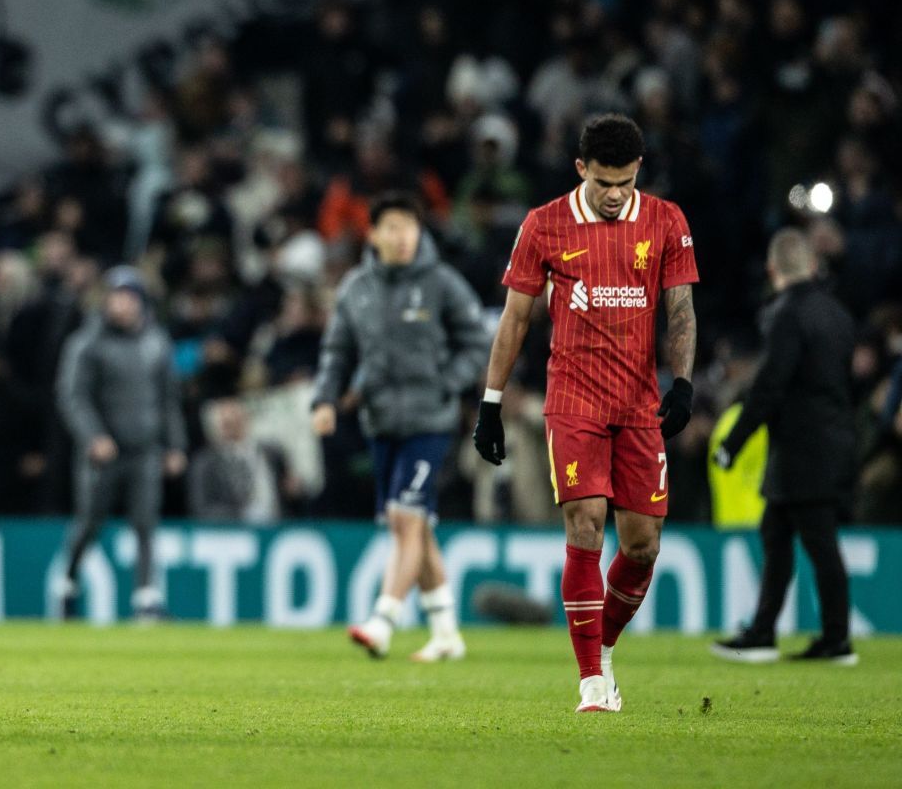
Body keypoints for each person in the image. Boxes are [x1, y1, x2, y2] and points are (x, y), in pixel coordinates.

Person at [473, 113, 698, 713]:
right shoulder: (544, 225)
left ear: (638, 172)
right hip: (572, 399)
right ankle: (592, 679)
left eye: (625, 182)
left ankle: (603, 647)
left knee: (644, 545)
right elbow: (515, 319)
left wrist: (683, 385)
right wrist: (490, 404)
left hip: (638, 402)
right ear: (581, 170)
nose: (615, 194)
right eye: (604, 182)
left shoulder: (665, 220)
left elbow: (680, 311)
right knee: (586, 525)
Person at [312, 194, 487, 662]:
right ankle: (447, 632)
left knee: (404, 518)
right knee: (418, 528)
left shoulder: (442, 283)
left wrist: (445, 385)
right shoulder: (357, 288)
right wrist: (325, 400)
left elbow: (477, 342)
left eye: (409, 227)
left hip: (430, 421)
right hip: (381, 422)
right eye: (392, 227)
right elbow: (337, 353)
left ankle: (383, 620)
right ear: (373, 234)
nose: (402, 236)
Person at [710, 229, 860, 665]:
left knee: (817, 543)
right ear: (813, 266)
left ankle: (835, 640)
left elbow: (770, 386)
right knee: (778, 534)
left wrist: (733, 444)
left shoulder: (785, 315)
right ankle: (765, 632)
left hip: (801, 449)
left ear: (773, 270)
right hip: (835, 440)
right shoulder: (838, 314)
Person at [50, 267, 187, 622]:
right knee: (90, 523)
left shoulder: (156, 342)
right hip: (103, 452)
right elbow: (73, 396)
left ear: (140, 301)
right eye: (115, 296)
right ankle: (68, 584)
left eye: (127, 297)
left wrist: (175, 445)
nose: (120, 304)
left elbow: (168, 399)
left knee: (145, 523)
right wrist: (93, 435)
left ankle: (146, 598)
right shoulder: (88, 343)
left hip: (144, 449)